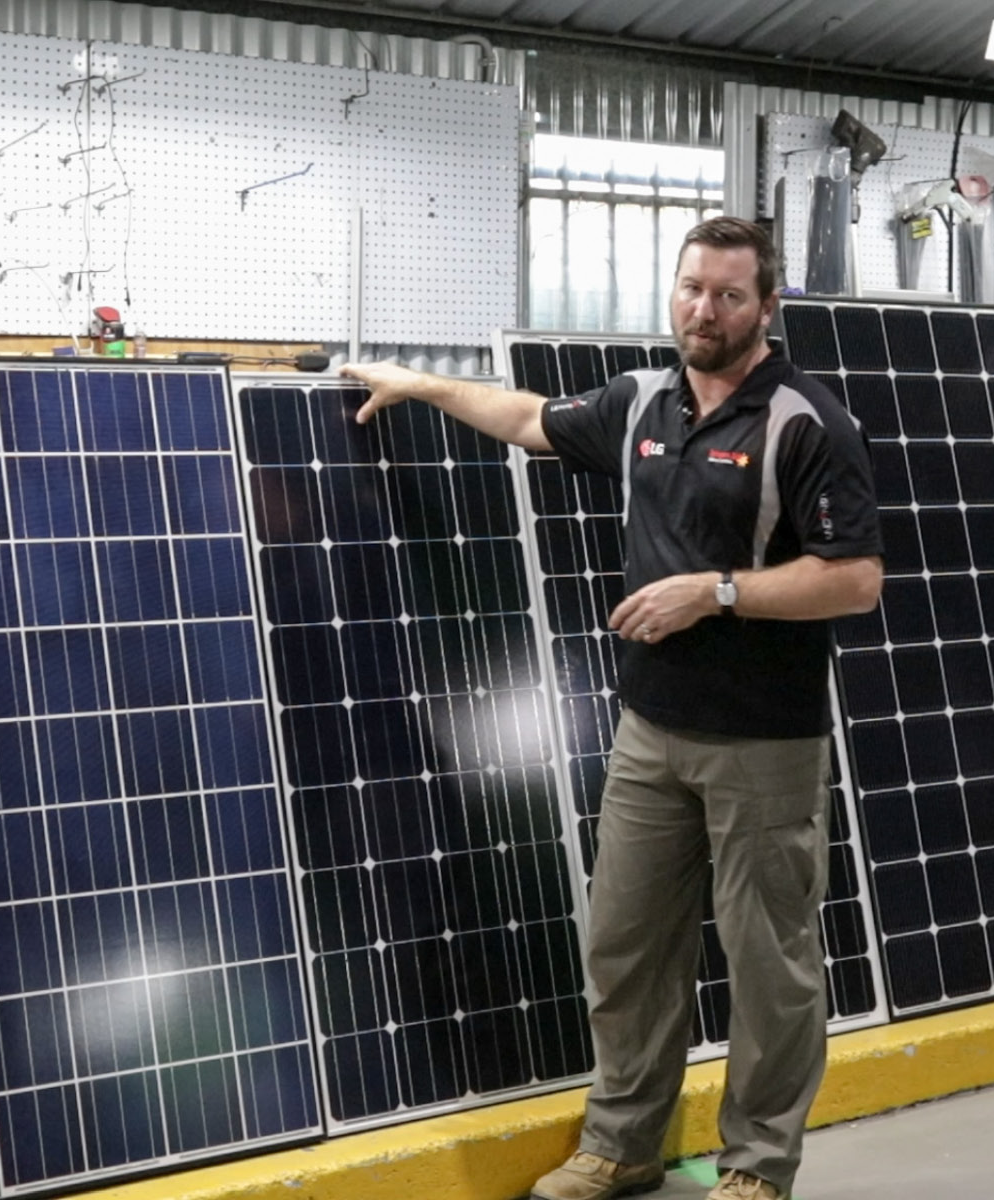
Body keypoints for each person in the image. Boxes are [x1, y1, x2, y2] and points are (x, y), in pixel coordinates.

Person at [340, 216, 882, 1200]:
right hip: (649, 737)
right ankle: (624, 1143)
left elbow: (852, 581)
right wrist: (420, 384)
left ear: (765, 306)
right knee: (623, 947)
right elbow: (526, 418)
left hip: (762, 748)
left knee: (769, 970)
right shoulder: (641, 400)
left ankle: (756, 1167)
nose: (702, 310)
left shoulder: (805, 421)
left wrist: (713, 590)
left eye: (726, 294)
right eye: (689, 289)